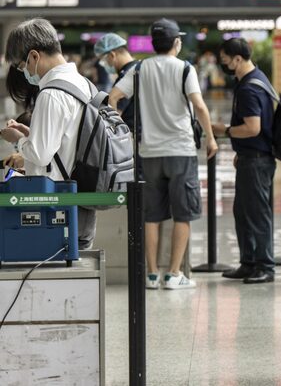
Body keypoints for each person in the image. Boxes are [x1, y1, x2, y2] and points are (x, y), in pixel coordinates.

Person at [109, 18, 218, 290]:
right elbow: (200, 107)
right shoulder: (185, 69)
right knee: (183, 214)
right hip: (180, 151)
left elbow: (113, 96)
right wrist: (211, 139)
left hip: (150, 152)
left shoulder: (140, 69)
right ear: (176, 43)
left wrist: (120, 124)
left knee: (151, 215)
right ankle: (173, 275)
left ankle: (151, 274)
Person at [0, 18, 98, 249]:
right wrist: (31, 133)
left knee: (53, 275)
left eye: (22, 66)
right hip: (81, 199)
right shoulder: (82, 84)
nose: (25, 73)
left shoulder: (51, 93)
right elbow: (66, 141)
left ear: (34, 56)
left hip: (57, 202)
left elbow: (41, 155)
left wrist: (18, 140)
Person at [211, 38, 277, 284]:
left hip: (257, 161)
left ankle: (265, 266)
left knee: (257, 214)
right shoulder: (254, 78)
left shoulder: (249, 88)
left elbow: (252, 128)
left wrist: (225, 130)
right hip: (252, 157)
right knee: (243, 212)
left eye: (226, 60)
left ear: (237, 59)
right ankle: (249, 262)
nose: (224, 65)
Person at [94, 33, 139, 131]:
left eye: (103, 60)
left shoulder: (127, 74)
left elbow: (115, 110)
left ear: (112, 55)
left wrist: (113, 130)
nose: (104, 64)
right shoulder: (137, 68)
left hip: (130, 133)